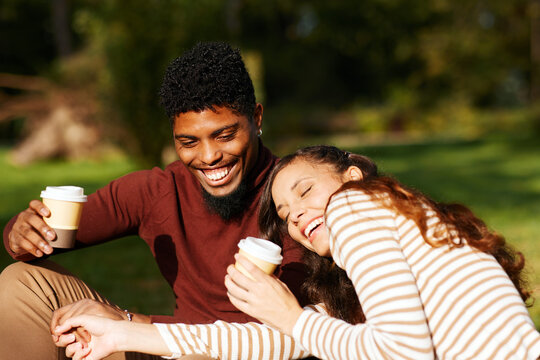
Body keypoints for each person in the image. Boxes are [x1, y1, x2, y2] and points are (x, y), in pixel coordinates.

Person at [52, 145, 540, 360]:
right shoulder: (370, 255)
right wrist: (120, 333)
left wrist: (293, 319)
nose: (298, 216)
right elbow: (272, 344)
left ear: (351, 177)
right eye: (285, 213)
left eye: (306, 190)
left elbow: (403, 353)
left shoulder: (356, 206)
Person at [0, 42, 308, 360]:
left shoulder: (296, 196)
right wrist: (23, 231)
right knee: (21, 283)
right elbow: (35, 234)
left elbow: (288, 334)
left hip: (248, 351)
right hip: (160, 347)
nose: (209, 157)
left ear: (256, 118)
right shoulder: (160, 192)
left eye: (225, 135)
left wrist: (133, 325)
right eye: (188, 142)